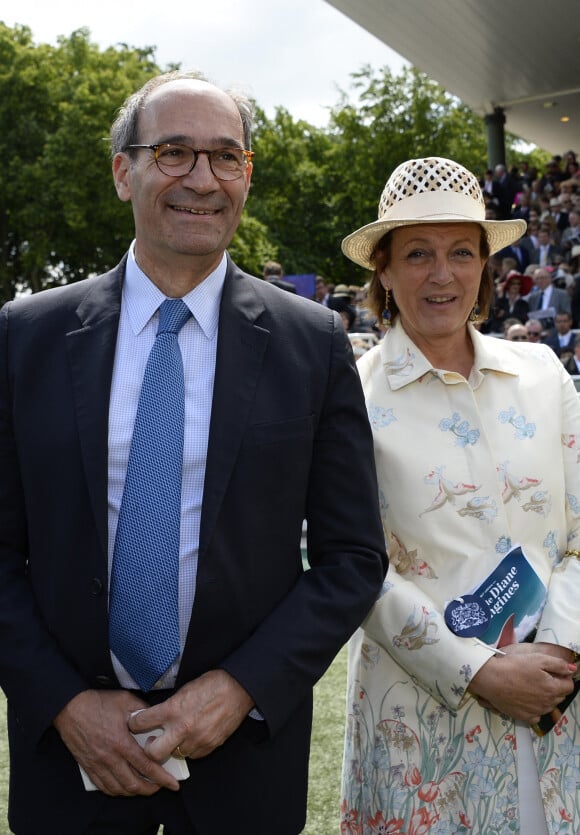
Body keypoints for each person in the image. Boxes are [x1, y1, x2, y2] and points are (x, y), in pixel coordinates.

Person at [0, 71, 388, 835]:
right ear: (123, 171)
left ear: (247, 175)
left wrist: (241, 686)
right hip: (69, 762)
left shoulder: (313, 344)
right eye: (174, 152)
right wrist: (66, 703)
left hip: (243, 765)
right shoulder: (25, 338)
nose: (202, 180)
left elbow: (351, 558)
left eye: (226, 157)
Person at [340, 156, 580, 835]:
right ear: (382, 269)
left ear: (484, 266)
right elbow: (354, 565)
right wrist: (478, 669)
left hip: (560, 708)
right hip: (421, 731)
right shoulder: (348, 395)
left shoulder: (541, 372)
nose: (441, 274)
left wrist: (556, 654)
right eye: (417, 253)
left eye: (461, 252)